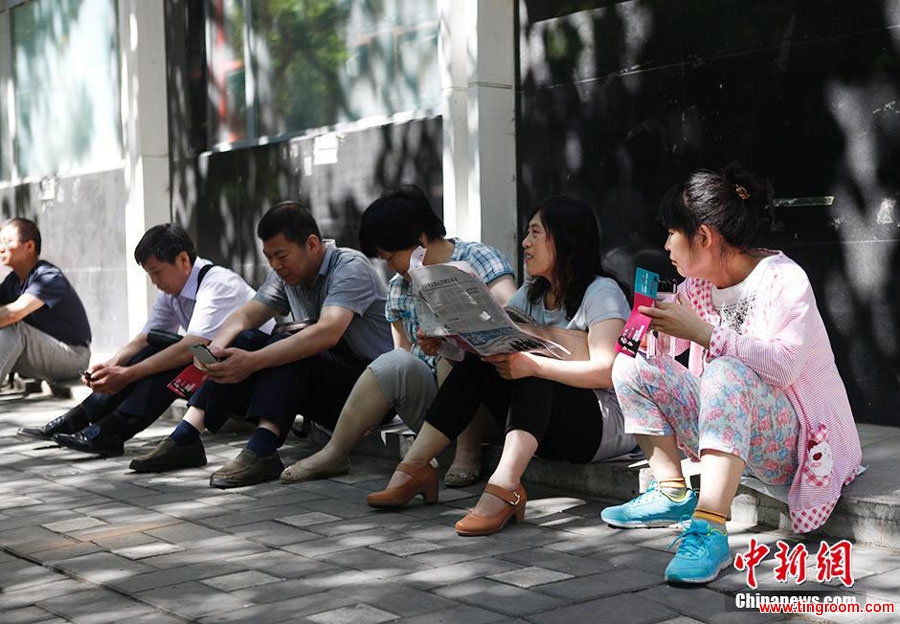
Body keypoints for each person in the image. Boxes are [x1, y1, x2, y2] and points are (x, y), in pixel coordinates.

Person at [601, 164, 862, 585]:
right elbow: (669, 362)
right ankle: (671, 490)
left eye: (672, 232)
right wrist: (648, 335)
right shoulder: (699, 285)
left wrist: (705, 333)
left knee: (725, 372)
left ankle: (709, 527)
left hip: (796, 442)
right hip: (731, 429)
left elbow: (783, 366)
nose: (665, 244)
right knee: (632, 365)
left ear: (703, 236)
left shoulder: (784, 279)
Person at [366, 196, 636, 536]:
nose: (525, 243)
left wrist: (534, 365)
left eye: (536, 233)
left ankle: (506, 484)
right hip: (547, 426)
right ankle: (415, 466)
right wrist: (446, 344)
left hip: (600, 426)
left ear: (566, 239)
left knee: (527, 364)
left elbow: (608, 371)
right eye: (527, 233)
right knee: (488, 359)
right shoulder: (531, 294)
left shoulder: (602, 292)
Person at [129, 200, 392, 489]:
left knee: (295, 346)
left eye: (281, 255)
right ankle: (187, 436)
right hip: (328, 388)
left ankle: (263, 448)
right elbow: (247, 315)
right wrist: (217, 346)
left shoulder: (349, 267)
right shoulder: (286, 275)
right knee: (246, 339)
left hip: (372, 393)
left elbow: (327, 332)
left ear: (313, 244)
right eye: (269, 258)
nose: (276, 265)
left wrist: (252, 361)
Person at [279, 185, 516, 486]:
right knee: (395, 363)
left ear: (419, 242)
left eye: (391, 257)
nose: (390, 267)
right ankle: (334, 453)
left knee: (453, 358)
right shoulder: (399, 286)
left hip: (489, 401)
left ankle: (467, 452)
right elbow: (402, 354)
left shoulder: (478, 257)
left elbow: (512, 313)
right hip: (435, 410)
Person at [19, 223, 270, 457]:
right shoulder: (172, 291)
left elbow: (191, 347)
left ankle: (112, 431)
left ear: (183, 260)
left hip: (250, 383)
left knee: (173, 361)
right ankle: (82, 418)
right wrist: (111, 365)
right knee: (152, 349)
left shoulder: (218, 284)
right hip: (215, 376)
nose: (154, 281)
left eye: (156, 272)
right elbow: (145, 338)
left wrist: (128, 374)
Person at [0, 218, 91, 389]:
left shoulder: (48, 277)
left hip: (73, 357)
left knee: (11, 324)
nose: (1, 248)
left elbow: (13, 314)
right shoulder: (12, 282)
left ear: (29, 246)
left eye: (7, 241)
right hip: (46, 355)